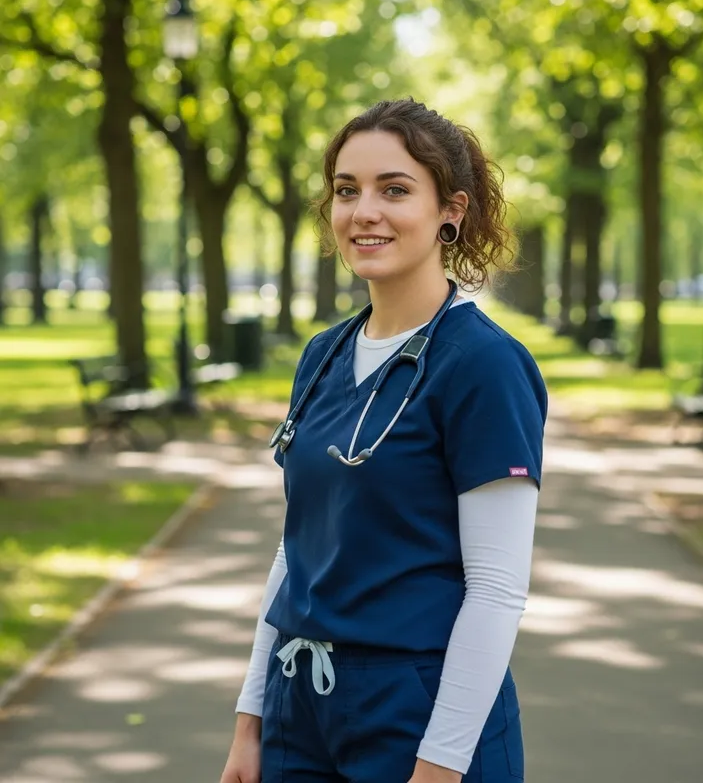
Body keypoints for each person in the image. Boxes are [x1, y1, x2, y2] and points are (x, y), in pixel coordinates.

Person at [220, 98, 547, 783]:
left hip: (420, 714)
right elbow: (295, 547)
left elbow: (496, 589)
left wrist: (439, 765)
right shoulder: (323, 355)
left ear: (450, 211)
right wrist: (250, 721)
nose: (363, 211)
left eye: (394, 189)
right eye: (347, 191)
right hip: (298, 707)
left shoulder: (482, 365)